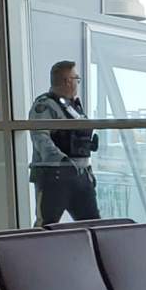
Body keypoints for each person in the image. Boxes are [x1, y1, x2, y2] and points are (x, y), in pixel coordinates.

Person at [29, 60, 101, 226]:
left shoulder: (73, 107)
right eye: (76, 78)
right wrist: (61, 160)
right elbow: (40, 136)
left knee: (93, 225)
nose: (77, 82)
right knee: (46, 226)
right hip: (55, 176)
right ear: (67, 81)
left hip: (80, 175)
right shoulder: (45, 105)